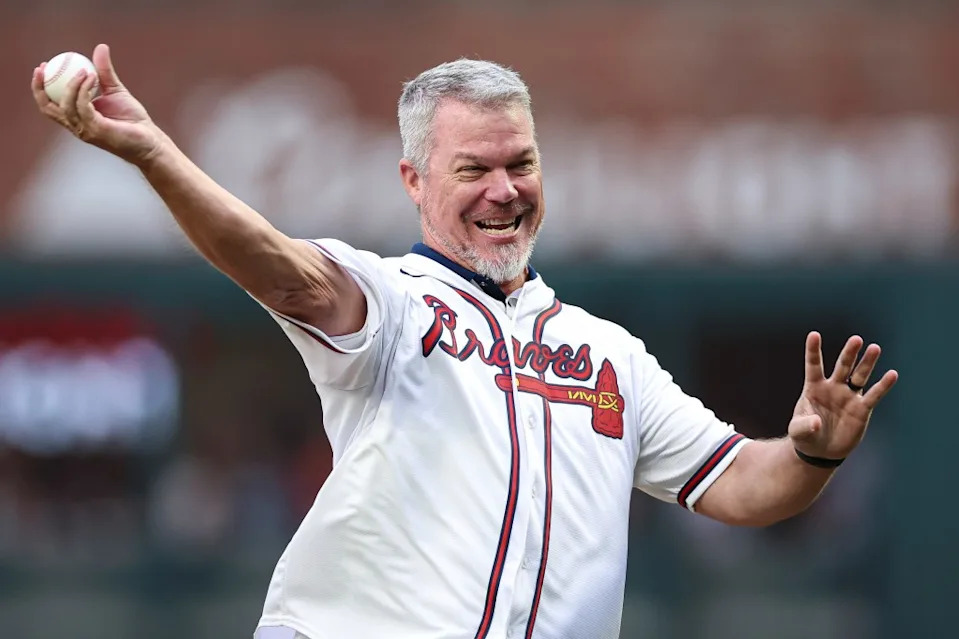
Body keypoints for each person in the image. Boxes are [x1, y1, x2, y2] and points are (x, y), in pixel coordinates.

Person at [32, 44, 898, 639]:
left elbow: (743, 486)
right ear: (413, 180)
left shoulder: (608, 356)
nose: (502, 189)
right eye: (472, 169)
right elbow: (281, 270)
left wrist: (811, 453)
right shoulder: (393, 301)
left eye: (519, 163)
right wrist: (152, 154)